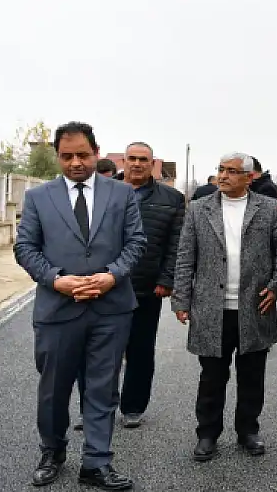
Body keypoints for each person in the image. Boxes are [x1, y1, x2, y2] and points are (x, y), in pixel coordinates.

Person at [13, 121, 147, 490]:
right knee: (54, 389)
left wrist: (111, 276)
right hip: (58, 309)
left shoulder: (122, 195)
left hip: (111, 308)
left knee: (103, 389)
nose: (75, 162)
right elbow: (25, 247)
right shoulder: (39, 197)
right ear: (58, 156)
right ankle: (52, 451)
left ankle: (97, 463)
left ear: (97, 152)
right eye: (66, 156)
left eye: (82, 155)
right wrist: (56, 279)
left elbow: (136, 243)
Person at [171, 152, 277, 462]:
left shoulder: (269, 208)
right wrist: (181, 299)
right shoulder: (198, 209)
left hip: (255, 306)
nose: (223, 176)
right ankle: (207, 434)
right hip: (210, 307)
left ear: (249, 177)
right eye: (220, 170)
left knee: (252, 376)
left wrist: (276, 287)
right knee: (211, 377)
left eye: (232, 171)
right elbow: (184, 256)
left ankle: (248, 431)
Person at [114, 142, 185, 428]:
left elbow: (176, 243)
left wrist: (166, 280)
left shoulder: (171, 199)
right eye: (132, 158)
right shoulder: (104, 192)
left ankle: (133, 407)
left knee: (140, 351)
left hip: (146, 287)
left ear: (152, 163)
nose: (137, 164)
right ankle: (93, 406)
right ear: (124, 161)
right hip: (104, 286)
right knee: (98, 351)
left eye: (143, 159)